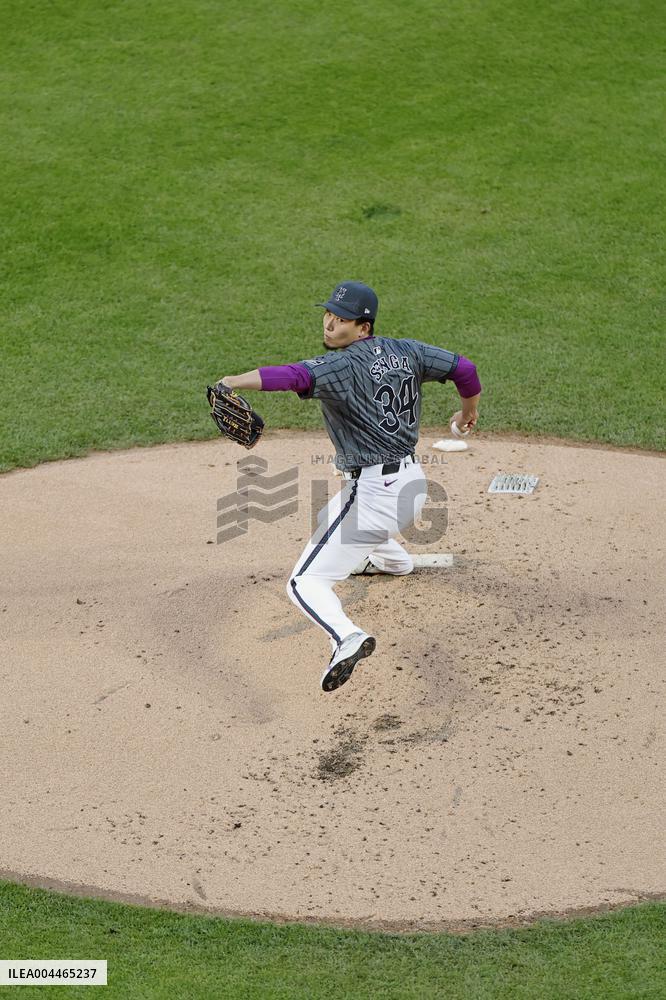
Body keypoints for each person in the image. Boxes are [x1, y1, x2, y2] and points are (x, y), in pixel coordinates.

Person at [216, 281, 481, 692]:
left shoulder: (342, 365)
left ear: (363, 327)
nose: (330, 322)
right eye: (328, 314)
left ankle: (347, 638)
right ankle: (395, 562)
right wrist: (468, 414)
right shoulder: (408, 351)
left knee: (303, 583)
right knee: (330, 518)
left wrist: (234, 380)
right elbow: (465, 370)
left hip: (375, 497)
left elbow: (293, 376)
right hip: (413, 487)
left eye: (341, 319)